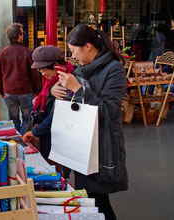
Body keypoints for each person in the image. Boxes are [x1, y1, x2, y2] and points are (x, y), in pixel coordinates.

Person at [51, 24, 128, 220]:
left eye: (74, 51)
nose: (73, 56)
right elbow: (76, 104)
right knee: (89, 198)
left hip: (101, 145)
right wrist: (57, 91)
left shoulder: (114, 69)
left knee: (97, 200)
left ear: (87, 46)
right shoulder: (82, 69)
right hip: (81, 145)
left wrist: (78, 89)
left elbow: (109, 112)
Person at [22, 46, 74, 160]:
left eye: (43, 69)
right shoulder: (54, 79)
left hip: (58, 136)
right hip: (49, 132)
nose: (41, 73)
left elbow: (56, 116)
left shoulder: (65, 82)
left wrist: (35, 132)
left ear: (55, 66)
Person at [0, 23, 41, 134]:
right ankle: (23, 138)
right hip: (25, 91)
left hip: (9, 91)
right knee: (27, 118)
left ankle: (16, 138)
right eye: (22, 33)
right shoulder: (28, 53)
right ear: (19, 36)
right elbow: (34, 74)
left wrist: (1, 90)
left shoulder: (1, 53)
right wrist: (37, 90)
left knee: (13, 118)